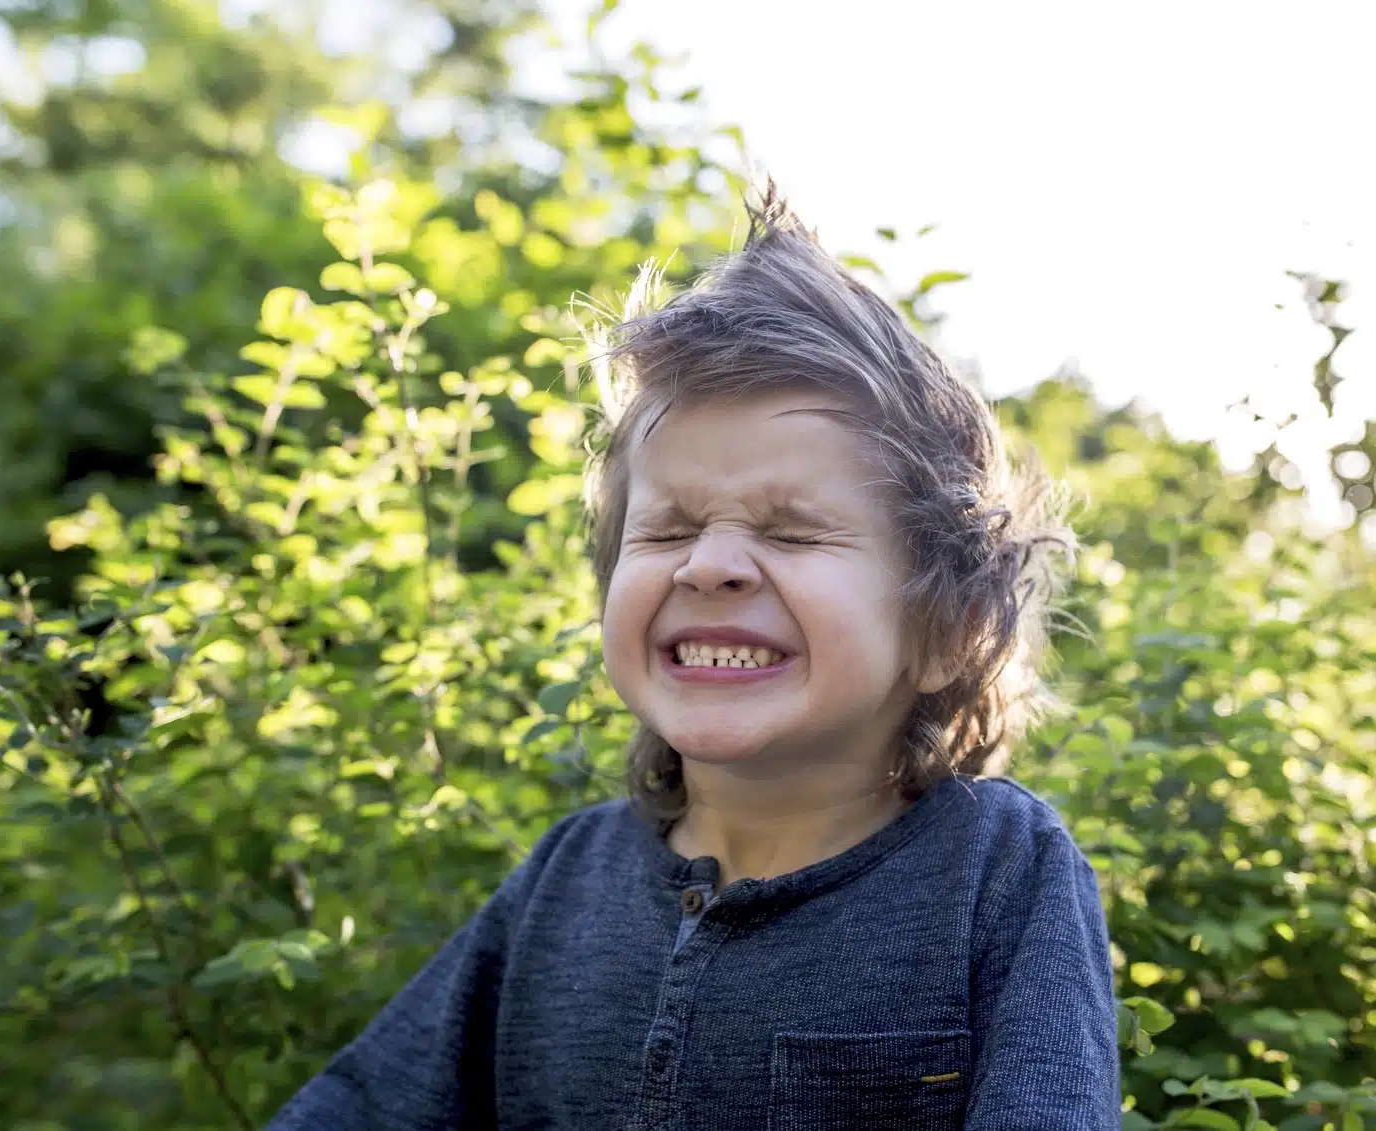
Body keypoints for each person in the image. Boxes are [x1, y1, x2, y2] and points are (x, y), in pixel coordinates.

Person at [266, 189, 1119, 1130]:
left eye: (791, 532)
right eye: (666, 529)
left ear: (950, 629)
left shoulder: (995, 872)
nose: (708, 564)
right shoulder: (566, 876)